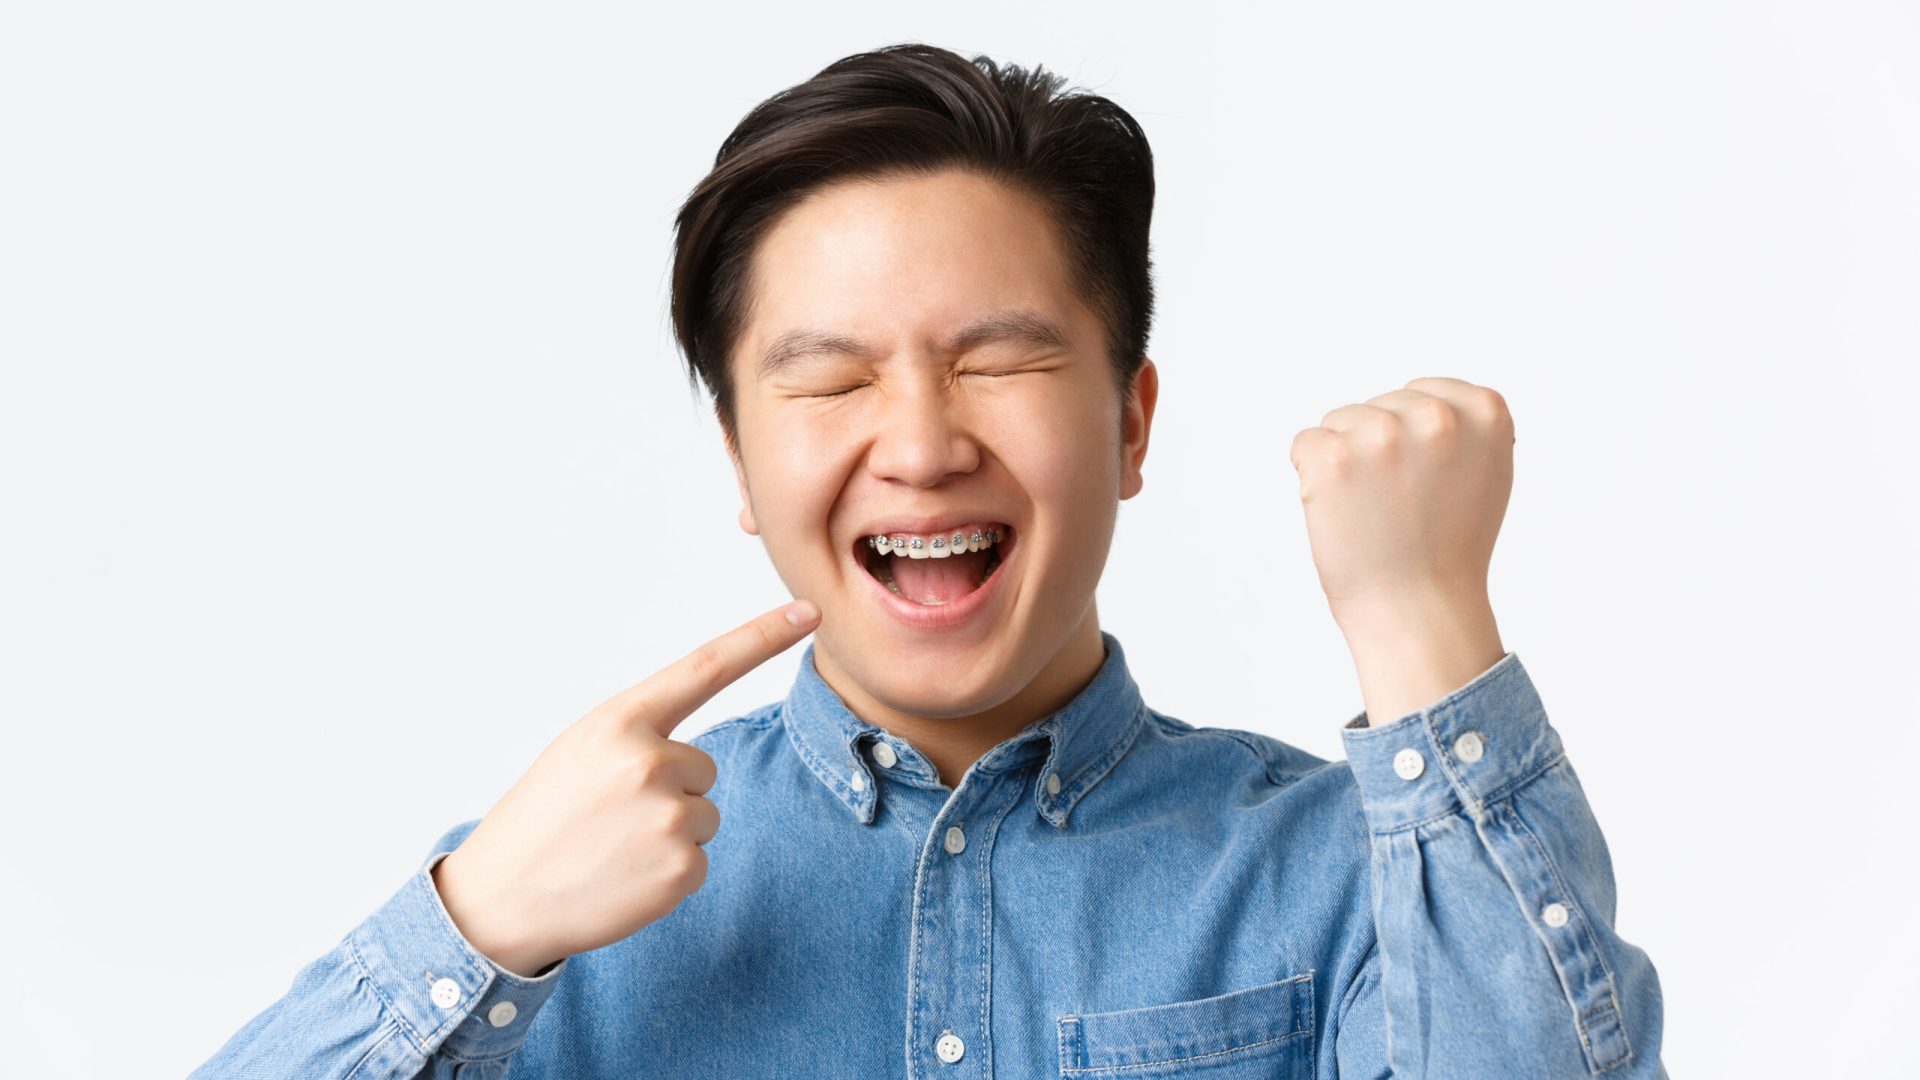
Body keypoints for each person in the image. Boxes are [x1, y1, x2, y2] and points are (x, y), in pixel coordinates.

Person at [191, 41, 1666, 1079]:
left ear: (1131, 421)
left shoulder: (1348, 873)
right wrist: (475, 924)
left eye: (998, 360)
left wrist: (1423, 629)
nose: (920, 441)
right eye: (830, 380)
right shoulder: (565, 904)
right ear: (740, 466)